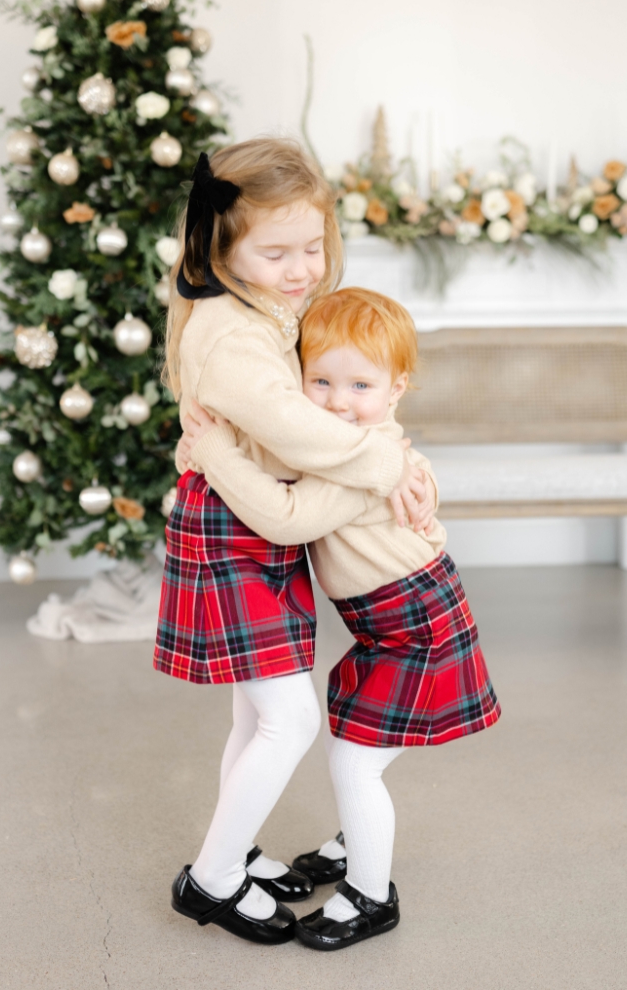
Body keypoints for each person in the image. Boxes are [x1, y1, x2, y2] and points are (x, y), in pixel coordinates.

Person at [155, 142, 437, 946]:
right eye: (276, 252)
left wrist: (398, 459)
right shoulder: (231, 332)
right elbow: (296, 429)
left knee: (255, 717)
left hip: (261, 518)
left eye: (312, 247)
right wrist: (388, 459)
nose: (301, 268)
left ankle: (234, 849)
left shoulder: (263, 309)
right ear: (222, 248)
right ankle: (210, 880)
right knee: (288, 719)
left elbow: (322, 409)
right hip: (236, 529)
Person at [177, 287, 501, 950]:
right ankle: (357, 838)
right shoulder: (361, 447)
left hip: (414, 623)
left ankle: (370, 895)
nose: (335, 401)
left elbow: (285, 517)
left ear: (397, 388)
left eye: (359, 384)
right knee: (357, 747)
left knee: (355, 763)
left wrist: (215, 455)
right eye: (319, 381)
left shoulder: (358, 462)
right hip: (394, 621)